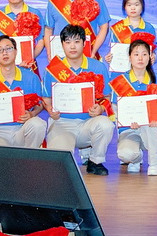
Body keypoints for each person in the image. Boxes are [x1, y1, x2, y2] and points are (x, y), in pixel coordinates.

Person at [43, 24, 115, 176]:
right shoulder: (53, 69)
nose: (72, 46)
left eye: (76, 41)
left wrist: (101, 108)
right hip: (61, 123)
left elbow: (106, 97)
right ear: (62, 44)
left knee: (106, 124)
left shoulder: (98, 67)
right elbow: (46, 99)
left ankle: (95, 161)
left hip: (88, 122)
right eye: (68, 42)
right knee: (59, 168)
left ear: (84, 43)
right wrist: (50, 110)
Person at [110, 40, 157, 176]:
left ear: (150, 57)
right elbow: (116, 109)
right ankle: (136, 159)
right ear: (129, 57)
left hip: (153, 130)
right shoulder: (121, 81)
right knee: (125, 154)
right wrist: (127, 122)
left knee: (149, 124)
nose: (140, 58)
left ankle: (154, 164)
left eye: (144, 54)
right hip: (129, 129)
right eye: (136, 54)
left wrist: (153, 119)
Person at [0, 35, 48, 149]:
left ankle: (29, 157)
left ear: (16, 51)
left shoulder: (31, 77)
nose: (4, 53)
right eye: (0, 50)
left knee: (38, 124)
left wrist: (31, 114)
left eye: (8, 48)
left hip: (23, 128)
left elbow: (39, 105)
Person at [106, 0, 157, 71]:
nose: (133, 8)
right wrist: (109, 57)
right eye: (129, 5)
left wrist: (154, 57)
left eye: (136, 5)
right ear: (124, 7)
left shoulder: (149, 28)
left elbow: (153, 52)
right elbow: (113, 51)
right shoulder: (117, 28)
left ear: (142, 6)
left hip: (142, 72)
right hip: (121, 72)